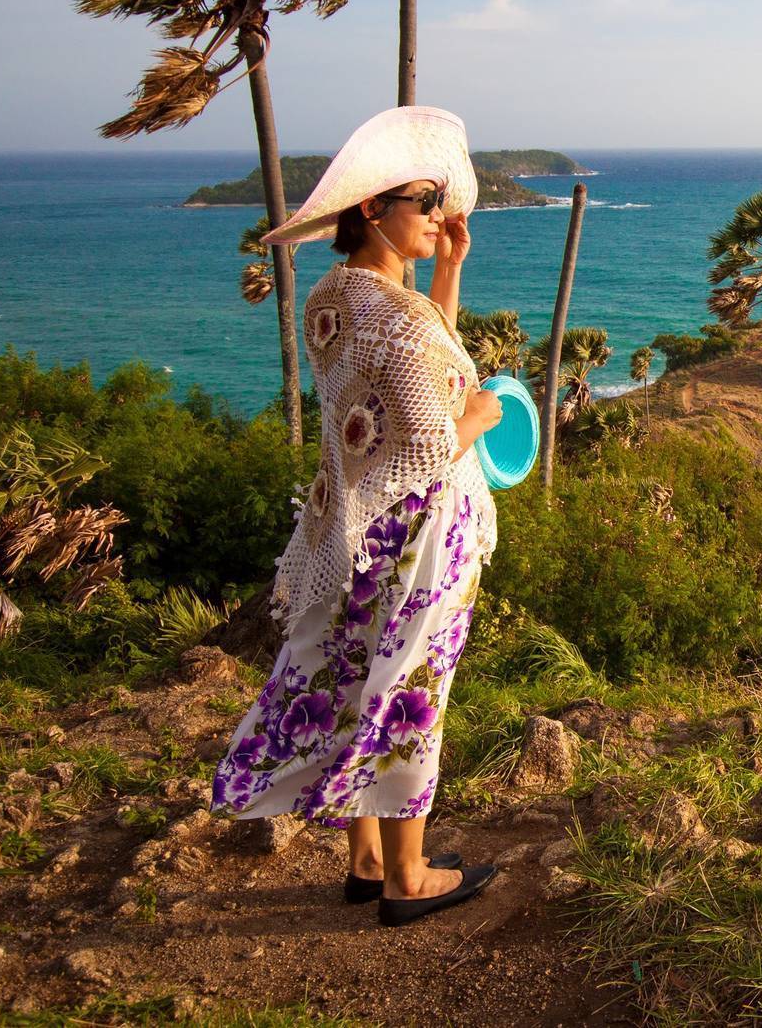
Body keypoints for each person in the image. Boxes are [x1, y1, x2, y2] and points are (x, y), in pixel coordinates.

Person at [209, 106, 505, 927]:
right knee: (410, 687)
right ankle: (409, 878)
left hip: (353, 526)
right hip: (419, 536)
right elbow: (426, 439)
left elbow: (416, 354)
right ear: (373, 208)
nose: (441, 214)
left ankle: (368, 861)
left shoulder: (338, 296)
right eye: (425, 200)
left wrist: (447, 269)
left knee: (355, 676)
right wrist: (483, 411)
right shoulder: (395, 316)